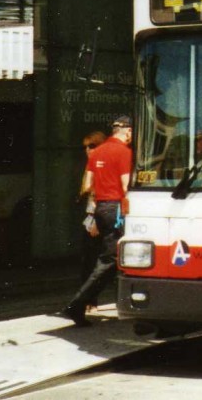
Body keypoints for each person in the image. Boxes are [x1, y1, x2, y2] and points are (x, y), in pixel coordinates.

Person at [60, 115, 133, 327]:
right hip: (116, 209)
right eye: (131, 133)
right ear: (127, 131)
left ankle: (81, 305)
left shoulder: (97, 152)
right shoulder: (124, 152)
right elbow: (126, 186)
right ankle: (76, 305)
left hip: (100, 207)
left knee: (108, 259)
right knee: (111, 260)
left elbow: (88, 184)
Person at [78, 129, 108, 292]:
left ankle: (90, 300)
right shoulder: (89, 167)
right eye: (86, 147)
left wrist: (96, 220)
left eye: (92, 146)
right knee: (88, 261)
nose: (88, 150)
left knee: (94, 261)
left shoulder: (101, 167)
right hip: (90, 218)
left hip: (98, 217)